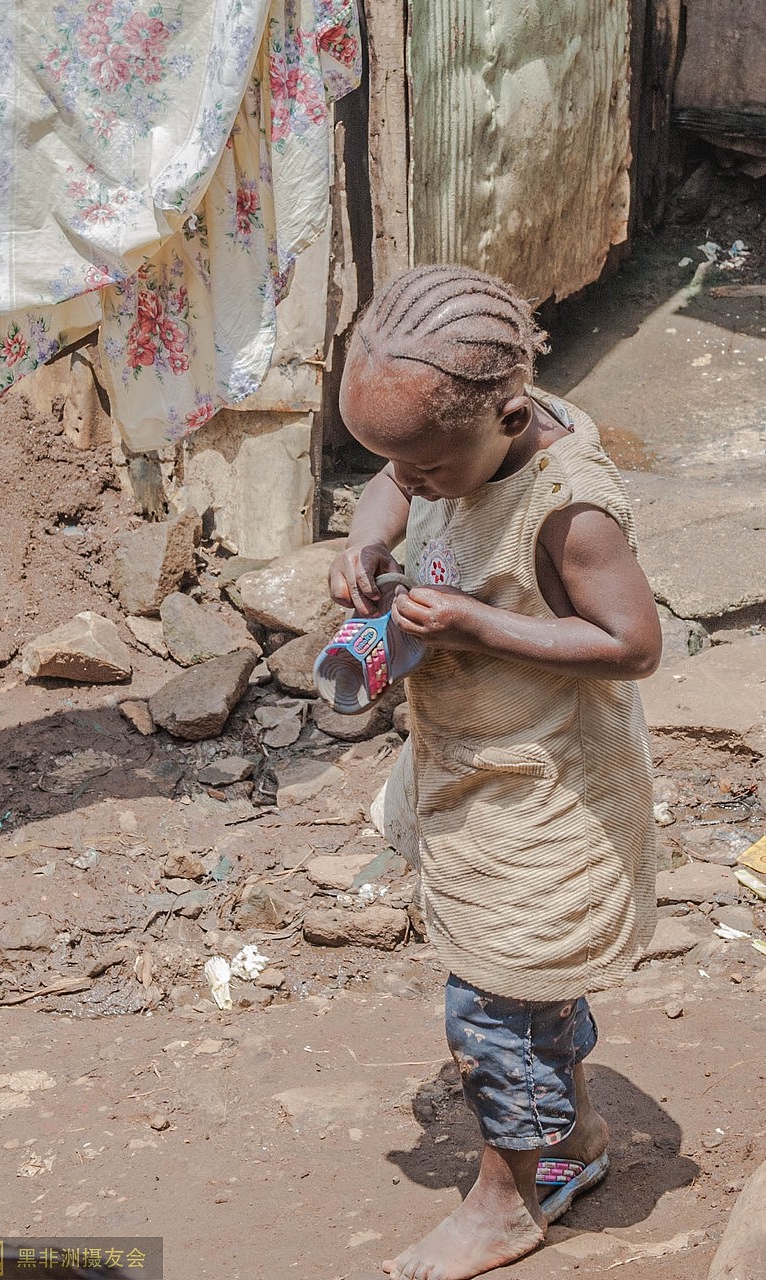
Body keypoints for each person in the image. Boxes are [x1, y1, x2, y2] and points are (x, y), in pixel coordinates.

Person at [327, 264, 662, 1280]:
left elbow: (633, 642)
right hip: (477, 762)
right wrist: (369, 533)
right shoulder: (447, 435)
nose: (407, 482)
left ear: (509, 413)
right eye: (392, 465)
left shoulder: (571, 506)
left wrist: (476, 618)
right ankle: (573, 1139)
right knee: (528, 994)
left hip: (548, 790)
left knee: (497, 998)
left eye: (425, 471)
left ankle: (505, 1200)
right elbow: (396, 472)